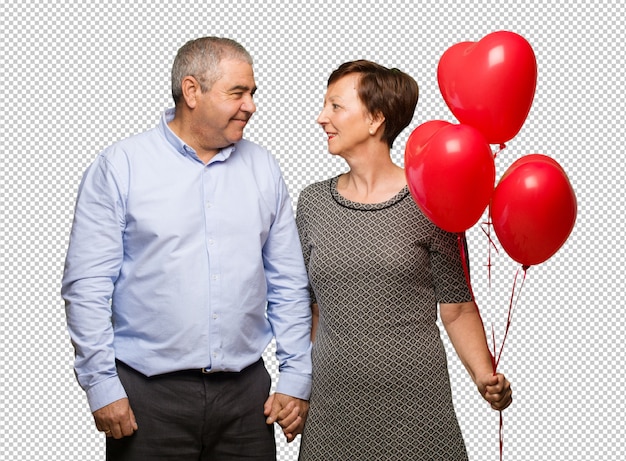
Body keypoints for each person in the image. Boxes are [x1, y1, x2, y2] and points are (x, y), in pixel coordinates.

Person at [61, 36, 312, 460]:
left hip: (247, 400)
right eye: (238, 93)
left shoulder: (264, 168)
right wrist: (101, 386)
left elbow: (287, 282)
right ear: (192, 91)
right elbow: (86, 286)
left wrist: (296, 376)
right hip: (146, 400)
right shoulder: (120, 166)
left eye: (252, 93)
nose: (251, 105)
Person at [295, 60, 512, 460]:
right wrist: (295, 388)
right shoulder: (312, 204)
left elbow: (457, 308)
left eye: (335, 106)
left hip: (417, 411)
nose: (321, 117)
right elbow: (308, 310)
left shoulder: (431, 199)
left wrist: (484, 376)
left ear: (376, 118)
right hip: (333, 412)